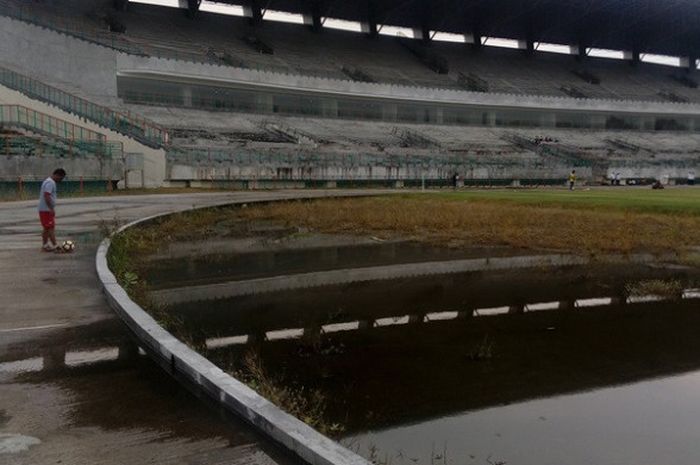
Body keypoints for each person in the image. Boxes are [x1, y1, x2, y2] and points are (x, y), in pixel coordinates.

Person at [38, 168, 66, 252]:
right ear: (57, 175)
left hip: (44, 209)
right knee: (50, 227)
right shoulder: (50, 183)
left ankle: (45, 245)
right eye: (60, 178)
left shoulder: (48, 181)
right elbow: (47, 195)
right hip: (46, 210)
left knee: (46, 228)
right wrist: (51, 208)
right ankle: (55, 246)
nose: (60, 180)